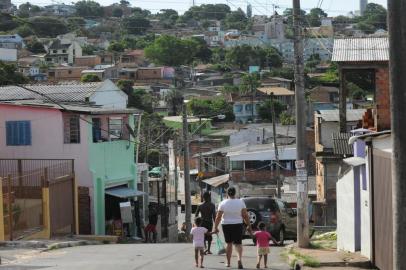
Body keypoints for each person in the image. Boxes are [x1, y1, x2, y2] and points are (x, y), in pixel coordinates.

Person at [213, 187, 251, 269]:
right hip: (238, 224)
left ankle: (228, 262)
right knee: (238, 243)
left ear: (227, 193)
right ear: (235, 193)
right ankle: (239, 259)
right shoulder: (241, 202)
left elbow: (218, 217)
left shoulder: (223, 203)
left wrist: (215, 227)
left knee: (229, 243)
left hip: (226, 224)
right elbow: (245, 215)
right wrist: (249, 225)